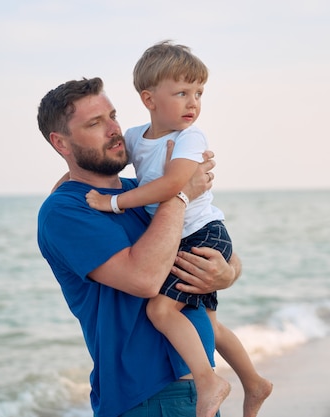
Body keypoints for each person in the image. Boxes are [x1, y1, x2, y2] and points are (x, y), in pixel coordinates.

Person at [86, 41, 272, 417]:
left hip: (203, 232)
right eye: (182, 92)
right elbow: (103, 164)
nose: (193, 103)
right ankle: (255, 383)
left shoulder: (190, 138)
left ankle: (207, 381)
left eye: (199, 93)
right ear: (149, 99)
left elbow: (173, 187)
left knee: (161, 311)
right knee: (210, 324)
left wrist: (115, 203)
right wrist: (64, 183)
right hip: (184, 234)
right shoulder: (138, 138)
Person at [36, 76, 242, 417]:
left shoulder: (141, 191)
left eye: (112, 116)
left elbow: (216, 242)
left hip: (200, 392)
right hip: (147, 397)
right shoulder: (65, 211)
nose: (114, 130)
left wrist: (227, 273)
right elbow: (145, 279)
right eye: (95, 123)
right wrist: (178, 192)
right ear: (62, 143)